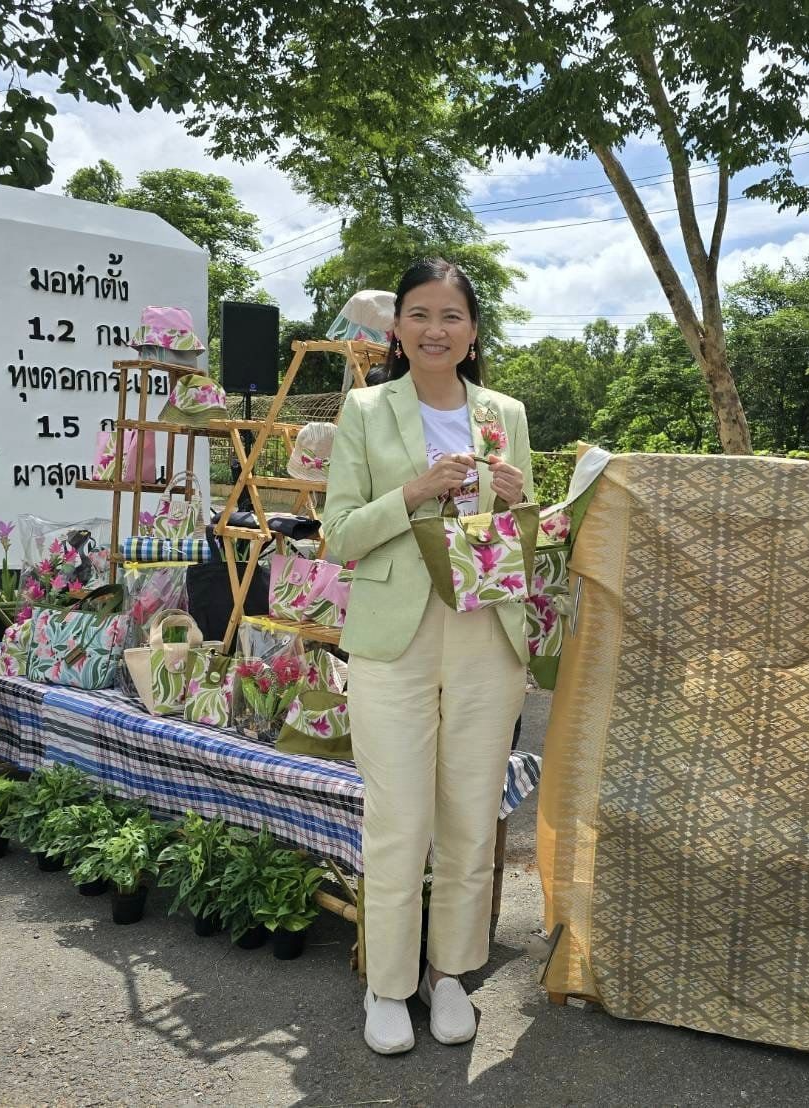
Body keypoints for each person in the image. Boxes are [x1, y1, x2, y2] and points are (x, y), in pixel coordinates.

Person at [322, 258, 534, 1056]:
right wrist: (411, 492)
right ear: (396, 329)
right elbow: (338, 534)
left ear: (473, 330)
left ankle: (451, 977)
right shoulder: (367, 409)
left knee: (471, 819)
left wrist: (520, 500)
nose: (434, 329)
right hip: (395, 636)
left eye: (450, 316)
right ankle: (387, 985)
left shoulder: (504, 412)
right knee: (399, 819)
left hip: (486, 632)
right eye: (418, 314)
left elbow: (532, 533)